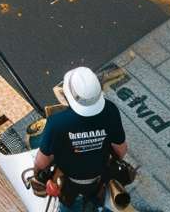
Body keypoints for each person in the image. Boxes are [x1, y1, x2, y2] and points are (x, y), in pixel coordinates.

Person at [33, 66, 129, 212]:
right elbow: (121, 150)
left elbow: (41, 162)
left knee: (69, 207)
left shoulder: (56, 122)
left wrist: (40, 176)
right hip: (99, 179)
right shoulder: (110, 110)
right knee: (97, 203)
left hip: (69, 184)